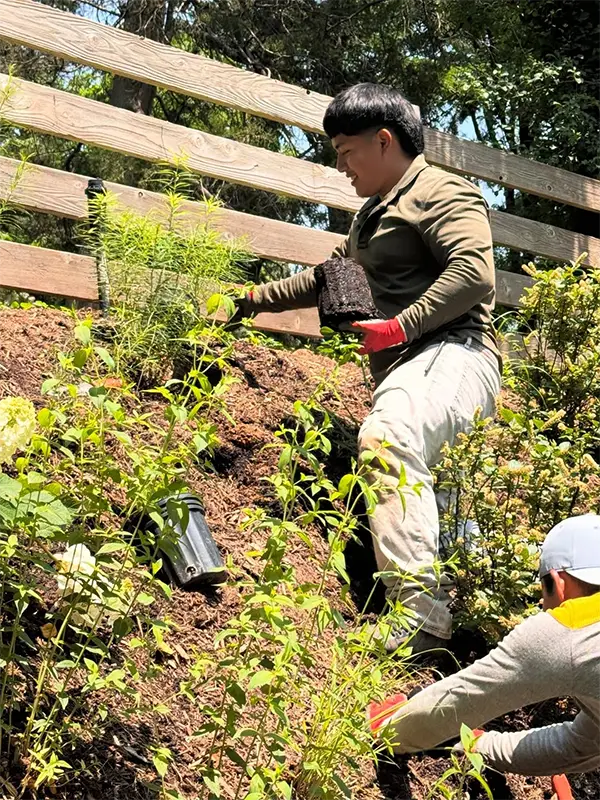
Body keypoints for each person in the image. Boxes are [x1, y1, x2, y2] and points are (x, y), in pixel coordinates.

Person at [234, 83, 501, 652]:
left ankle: (419, 620)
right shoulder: (372, 216)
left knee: (387, 437)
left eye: (346, 151)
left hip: (455, 354)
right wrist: (250, 299)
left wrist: (399, 327)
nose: (341, 166)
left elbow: (475, 274)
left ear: (384, 141)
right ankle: (470, 634)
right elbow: (328, 280)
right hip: (420, 371)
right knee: (444, 509)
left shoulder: (442, 191)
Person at [368, 514, 600, 777]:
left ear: (558, 584)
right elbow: (584, 746)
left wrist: (384, 727)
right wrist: (479, 744)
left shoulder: (572, 626)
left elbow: (461, 702)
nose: (542, 604)